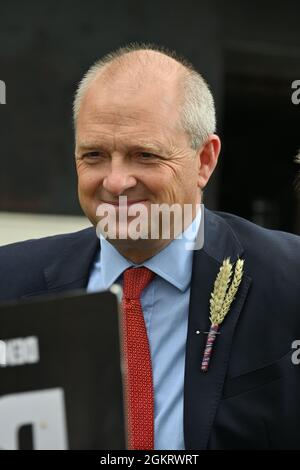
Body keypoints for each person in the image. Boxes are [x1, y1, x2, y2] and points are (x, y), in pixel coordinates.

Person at [1, 44, 300, 450]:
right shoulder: (11, 284)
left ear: (205, 160)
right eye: (95, 155)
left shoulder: (289, 279)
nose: (116, 181)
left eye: (144, 155)